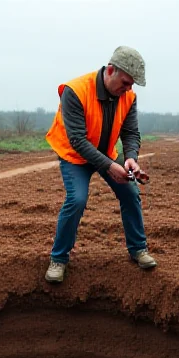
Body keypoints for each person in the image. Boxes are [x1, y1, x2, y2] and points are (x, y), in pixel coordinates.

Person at [43, 46, 156, 284]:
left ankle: (138, 249)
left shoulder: (128, 96)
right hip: (75, 154)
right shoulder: (75, 91)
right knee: (77, 199)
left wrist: (131, 157)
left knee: (130, 192)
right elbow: (77, 140)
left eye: (132, 84)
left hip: (105, 152)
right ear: (111, 70)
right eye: (126, 82)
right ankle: (58, 259)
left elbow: (131, 132)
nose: (129, 89)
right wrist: (109, 166)